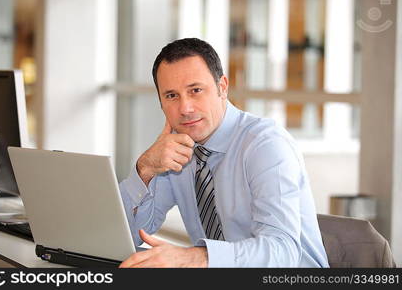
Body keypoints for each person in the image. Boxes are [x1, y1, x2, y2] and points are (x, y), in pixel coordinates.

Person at [118, 38, 329, 268]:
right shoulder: (176, 149)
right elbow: (125, 237)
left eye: (196, 90)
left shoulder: (265, 145)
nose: (185, 108)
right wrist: (145, 169)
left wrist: (196, 257)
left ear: (222, 87)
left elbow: (282, 252)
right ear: (160, 102)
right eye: (171, 96)